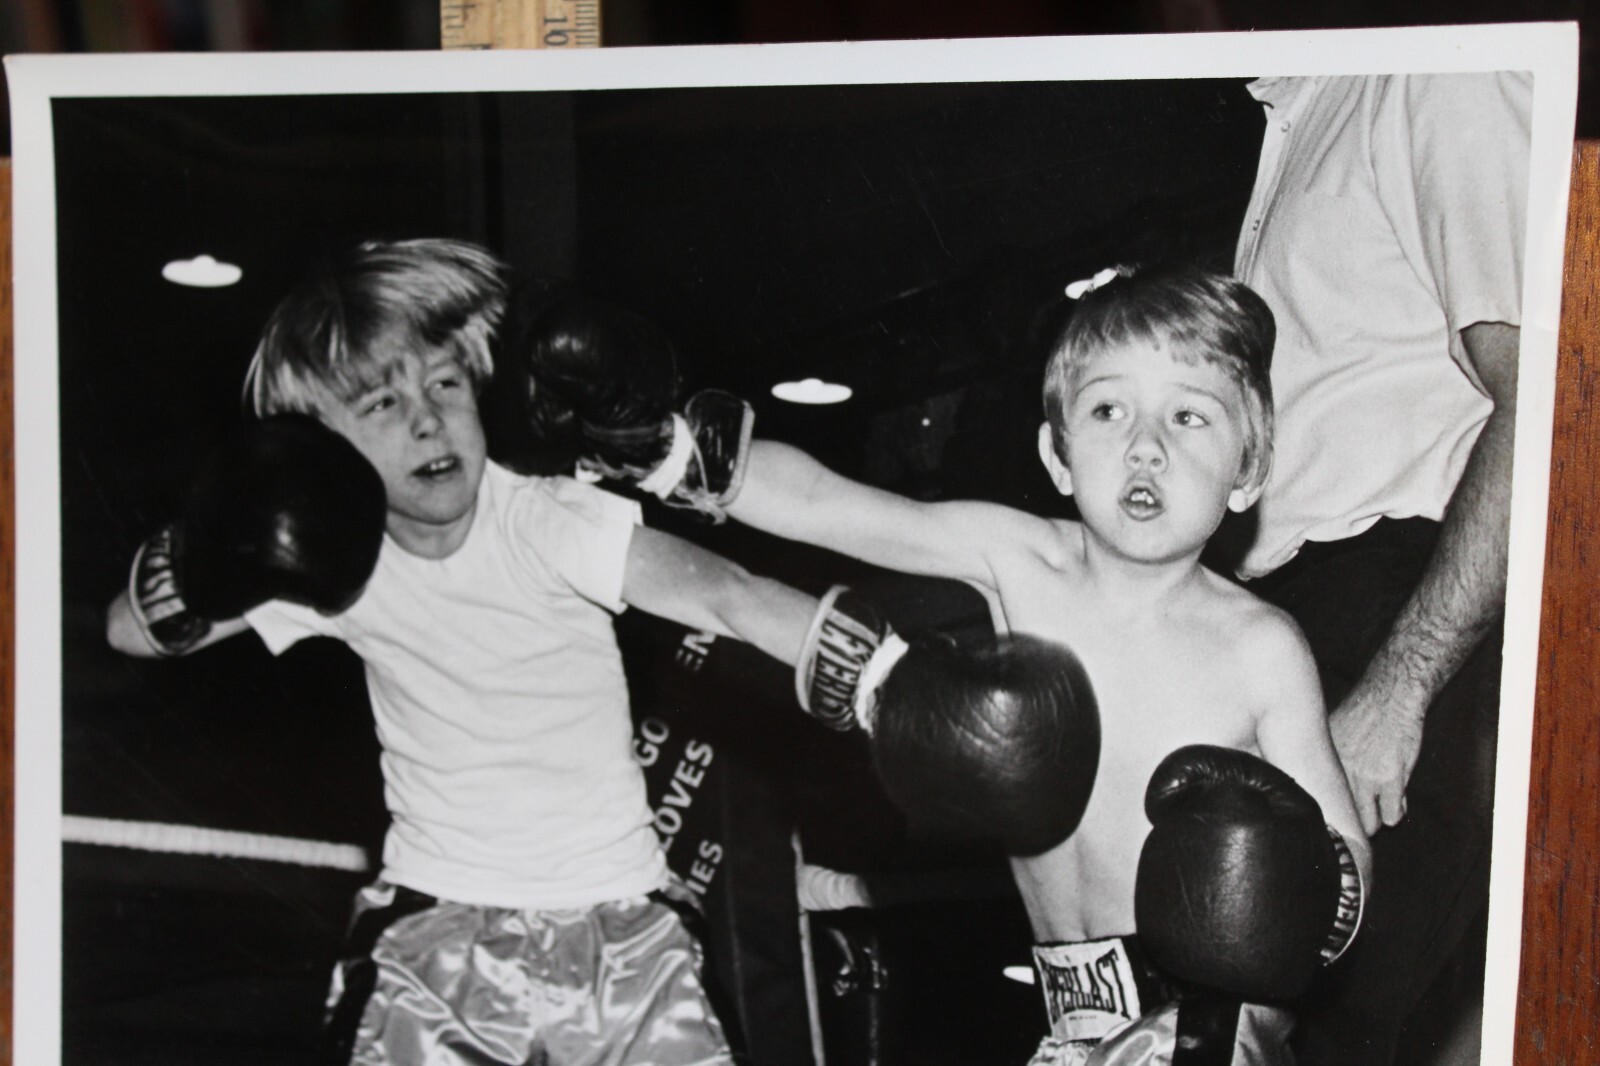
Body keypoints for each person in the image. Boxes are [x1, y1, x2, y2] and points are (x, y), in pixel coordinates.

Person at [527, 268, 1373, 1064]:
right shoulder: (1018, 558)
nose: (1146, 447)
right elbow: (833, 507)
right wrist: (675, 450)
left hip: (1208, 1039)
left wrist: (1297, 910)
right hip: (1066, 1032)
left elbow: (1346, 858)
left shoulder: (1261, 647)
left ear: (1249, 470)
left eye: (1189, 417)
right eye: (1110, 412)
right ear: (1057, 455)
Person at [104, 237, 832, 1066]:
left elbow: (725, 593)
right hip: (438, 936)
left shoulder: (542, 518)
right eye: (381, 404)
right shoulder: (340, 562)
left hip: (625, 933)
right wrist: (206, 547)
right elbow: (132, 632)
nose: (428, 418)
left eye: (446, 383)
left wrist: (888, 677)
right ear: (321, 449)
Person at [1231, 74, 1530, 1064]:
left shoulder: (1436, 77)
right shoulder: (1298, 117)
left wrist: (1401, 684)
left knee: (1352, 1036)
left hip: (1393, 610)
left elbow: (1552, 397)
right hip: (1297, 630)